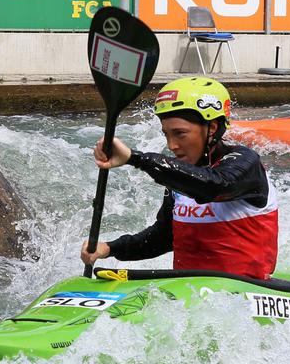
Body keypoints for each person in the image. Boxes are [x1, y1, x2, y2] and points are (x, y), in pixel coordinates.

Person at [80, 77, 279, 280]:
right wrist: (109, 249)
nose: (171, 145)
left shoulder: (246, 163)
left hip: (244, 295)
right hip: (185, 295)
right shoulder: (181, 180)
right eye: (166, 134)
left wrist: (136, 158)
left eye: (180, 134)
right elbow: (164, 238)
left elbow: (214, 186)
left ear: (211, 128)